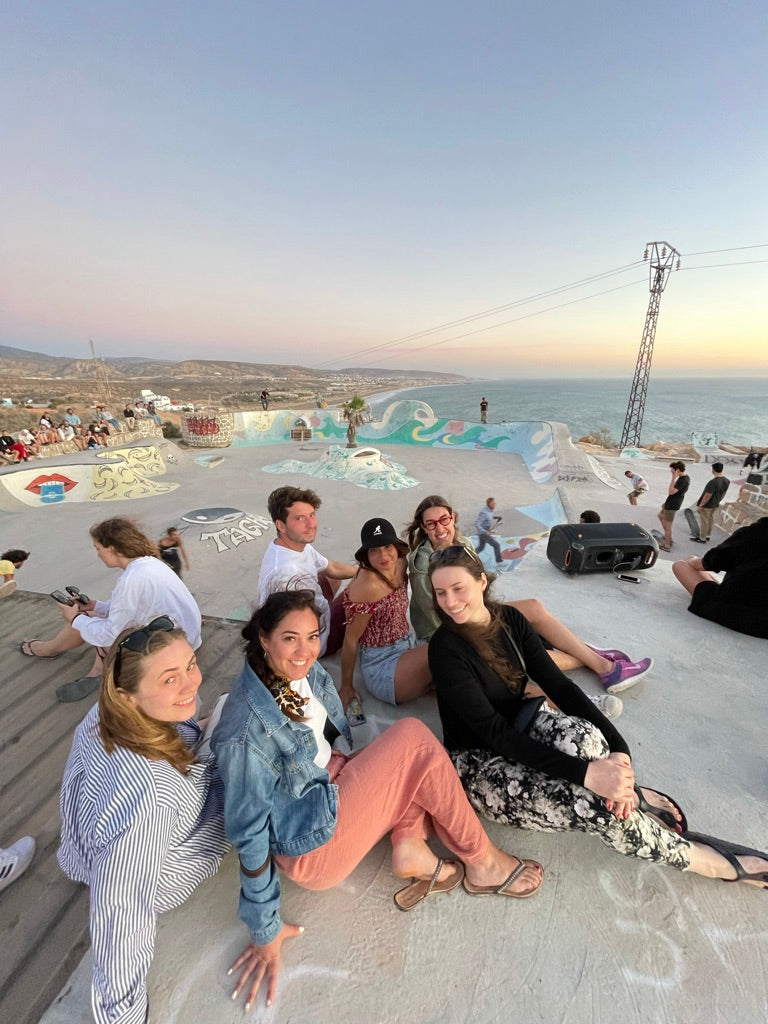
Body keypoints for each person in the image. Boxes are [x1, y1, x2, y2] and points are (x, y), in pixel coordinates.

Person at [212, 591, 544, 1012]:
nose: (305, 651)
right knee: (415, 740)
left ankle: (410, 848)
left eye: (313, 637)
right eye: (290, 638)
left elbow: (320, 742)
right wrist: (265, 931)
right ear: (263, 638)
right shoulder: (245, 732)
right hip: (314, 844)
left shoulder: (301, 674)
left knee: (414, 767)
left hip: (328, 787)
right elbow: (249, 834)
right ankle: (482, 862)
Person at [426, 545, 768, 894]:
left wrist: (619, 752)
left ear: (481, 581)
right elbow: (494, 734)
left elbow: (558, 684)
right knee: (596, 807)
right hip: (476, 764)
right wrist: (588, 775)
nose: (450, 602)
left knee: (588, 738)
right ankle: (703, 860)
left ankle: (627, 793)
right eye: (440, 593)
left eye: (458, 588)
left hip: (521, 724)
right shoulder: (445, 648)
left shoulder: (510, 620)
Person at [58, 618, 229, 1024]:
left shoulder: (105, 712)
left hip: (84, 848)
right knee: (245, 727)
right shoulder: (147, 795)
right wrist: (122, 1014)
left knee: (223, 706)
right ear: (129, 696)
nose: (191, 682)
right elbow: (121, 905)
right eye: (170, 679)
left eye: (190, 664)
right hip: (161, 873)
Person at [405, 496, 651, 704]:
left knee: (531, 609)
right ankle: (599, 663)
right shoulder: (423, 563)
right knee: (518, 647)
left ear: (453, 518)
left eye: (443, 520)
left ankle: (590, 657)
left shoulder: (463, 545)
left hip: (473, 613)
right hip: (446, 630)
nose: (439, 529)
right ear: (424, 528)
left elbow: (479, 591)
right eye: (431, 524)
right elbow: (437, 616)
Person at [20, 517, 202, 701]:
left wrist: (75, 619)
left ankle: (54, 652)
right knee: (90, 615)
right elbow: (129, 609)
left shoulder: (132, 579)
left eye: (98, 549)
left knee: (90, 622)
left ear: (113, 549)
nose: (98, 554)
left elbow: (108, 634)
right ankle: (92, 667)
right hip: (186, 637)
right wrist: (94, 606)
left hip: (172, 648)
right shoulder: (149, 564)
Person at [341, 518, 431, 710]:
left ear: (396, 546)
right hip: (382, 664)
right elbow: (350, 639)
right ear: (367, 555)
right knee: (443, 652)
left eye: (387, 546)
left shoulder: (401, 564)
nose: (383, 555)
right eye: (374, 550)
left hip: (409, 644)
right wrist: (346, 686)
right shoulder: (369, 586)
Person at [258, 486, 357, 657]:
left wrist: (360, 571)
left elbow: (330, 567)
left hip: (311, 604)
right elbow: (296, 630)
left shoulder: (292, 545)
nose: (311, 525)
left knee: (333, 576)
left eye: (312, 515)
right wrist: (366, 580)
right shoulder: (288, 575)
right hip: (319, 638)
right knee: (367, 589)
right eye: (300, 518)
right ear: (280, 525)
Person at [672, 517, 768, 639]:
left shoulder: (757, 532)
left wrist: (692, 560)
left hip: (738, 612)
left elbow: (711, 561)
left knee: (681, 565)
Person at [691, 462, 730, 543]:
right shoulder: (726, 481)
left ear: (713, 470)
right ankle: (707, 535)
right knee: (710, 519)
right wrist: (718, 500)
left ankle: (702, 538)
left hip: (707, 505)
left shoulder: (713, 482)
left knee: (704, 521)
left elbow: (707, 495)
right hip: (715, 504)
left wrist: (700, 506)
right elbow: (724, 493)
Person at [657, 461, 690, 551]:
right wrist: (666, 502)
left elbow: (671, 492)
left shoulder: (683, 480)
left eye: (672, 471)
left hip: (672, 505)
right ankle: (668, 536)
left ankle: (667, 544)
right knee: (660, 516)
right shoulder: (684, 477)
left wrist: (673, 478)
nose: (671, 473)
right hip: (670, 502)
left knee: (668, 526)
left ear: (678, 470)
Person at [475, 497, 503, 565]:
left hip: (484, 533)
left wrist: (496, 517)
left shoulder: (489, 511)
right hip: (484, 533)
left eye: (495, 503)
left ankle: (468, 557)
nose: (495, 505)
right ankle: (499, 562)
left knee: (481, 548)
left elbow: (488, 517)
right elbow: (477, 524)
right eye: (493, 503)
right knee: (496, 545)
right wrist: (485, 532)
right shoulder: (484, 513)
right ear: (489, 504)